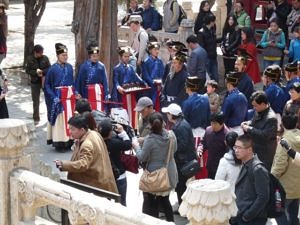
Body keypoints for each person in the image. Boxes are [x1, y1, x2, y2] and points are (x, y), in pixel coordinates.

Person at [54, 115, 118, 194]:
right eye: (69, 128)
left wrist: (64, 164)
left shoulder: (87, 144)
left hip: (94, 188)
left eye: (73, 129)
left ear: (82, 130)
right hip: (102, 181)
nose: (70, 131)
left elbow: (83, 164)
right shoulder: (94, 133)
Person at [132, 112, 178, 221]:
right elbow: (174, 150)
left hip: (155, 176)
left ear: (150, 125)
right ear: (163, 123)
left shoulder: (150, 140)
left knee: (154, 205)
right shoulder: (171, 135)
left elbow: (142, 157)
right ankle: (171, 222)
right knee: (166, 201)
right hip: (169, 172)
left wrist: (136, 146)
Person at [162, 103, 196, 205]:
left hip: (183, 161)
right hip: (185, 160)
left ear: (172, 115)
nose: (167, 116)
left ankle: (183, 207)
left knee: (181, 186)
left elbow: (182, 146)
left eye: (168, 113)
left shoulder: (179, 127)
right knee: (181, 186)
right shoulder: (182, 124)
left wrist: (171, 148)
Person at [233, 134, 270, 225]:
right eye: (235, 147)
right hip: (242, 214)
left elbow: (263, 197)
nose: (236, 151)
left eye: (239, 148)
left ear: (249, 150)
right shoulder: (246, 163)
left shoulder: (258, 169)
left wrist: (247, 216)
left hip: (253, 219)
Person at [271, 113, 300, 225]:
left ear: (282, 124)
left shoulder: (285, 141)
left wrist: (271, 179)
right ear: (296, 123)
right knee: (294, 214)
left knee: (279, 214)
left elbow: (280, 164)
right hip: (297, 187)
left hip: (284, 187)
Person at [44, 43, 74, 150]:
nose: (65, 57)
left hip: (69, 98)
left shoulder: (70, 67)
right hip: (58, 97)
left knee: (69, 118)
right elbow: (47, 85)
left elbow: (72, 82)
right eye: (63, 55)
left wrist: (75, 92)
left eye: (66, 55)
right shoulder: (52, 69)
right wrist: (53, 97)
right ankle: (60, 142)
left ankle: (70, 140)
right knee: (60, 119)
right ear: (58, 56)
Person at [98, 119, 132, 206]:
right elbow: (128, 144)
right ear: (110, 133)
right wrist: (122, 132)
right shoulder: (115, 143)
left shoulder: (96, 143)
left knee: (105, 202)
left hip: (104, 176)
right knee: (121, 202)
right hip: (119, 175)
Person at [241, 91, 278, 171]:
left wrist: (248, 128)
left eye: (255, 106)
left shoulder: (271, 118)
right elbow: (255, 121)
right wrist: (248, 123)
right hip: (255, 149)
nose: (254, 108)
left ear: (263, 104)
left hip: (265, 154)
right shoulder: (259, 110)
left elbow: (264, 136)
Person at [25, 44, 51, 124]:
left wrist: (43, 72)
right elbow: (27, 70)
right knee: (35, 101)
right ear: (35, 53)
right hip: (35, 82)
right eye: (40, 53)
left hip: (44, 81)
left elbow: (50, 68)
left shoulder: (45, 58)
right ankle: (36, 117)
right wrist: (36, 72)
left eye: (42, 52)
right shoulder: (29, 59)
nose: (41, 54)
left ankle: (50, 116)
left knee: (49, 98)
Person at [202, 112, 229, 179]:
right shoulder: (208, 130)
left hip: (222, 167)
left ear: (222, 123)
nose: (213, 125)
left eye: (215, 123)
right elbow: (203, 143)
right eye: (211, 123)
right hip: (210, 165)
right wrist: (200, 149)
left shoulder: (227, 135)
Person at [198, 14, 219, 82]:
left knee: (215, 76)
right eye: (214, 21)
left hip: (213, 56)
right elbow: (201, 46)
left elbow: (214, 41)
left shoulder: (212, 30)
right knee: (208, 77)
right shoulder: (201, 32)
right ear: (211, 22)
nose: (214, 23)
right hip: (207, 58)